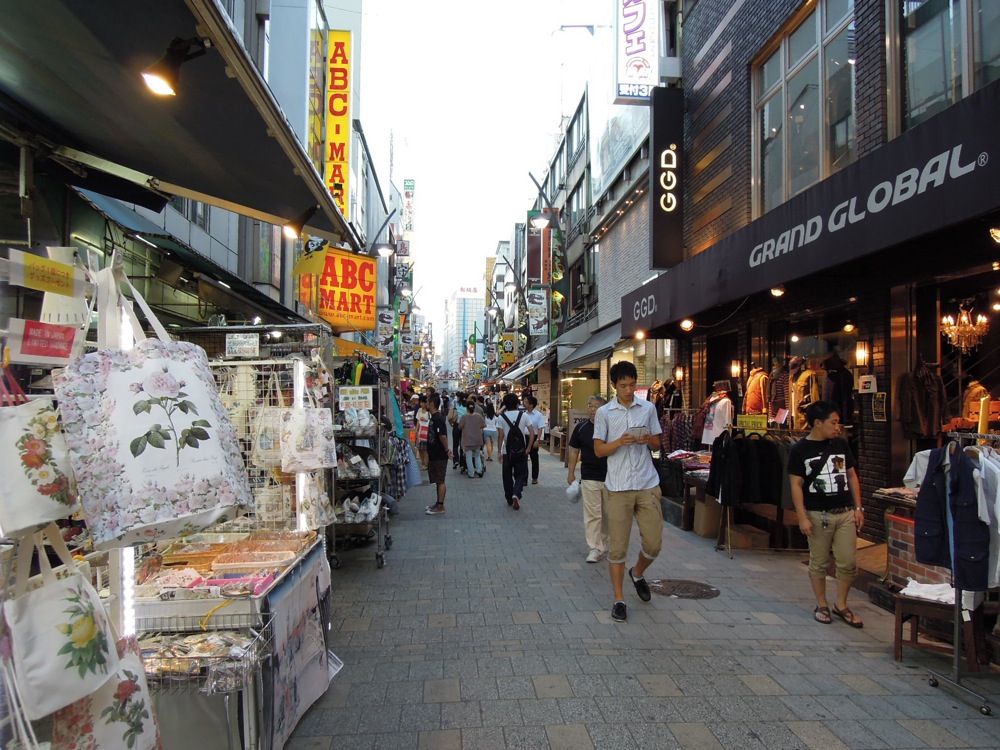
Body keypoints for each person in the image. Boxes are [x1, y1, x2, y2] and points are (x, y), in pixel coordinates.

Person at [593, 361, 663, 623]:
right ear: (614, 385)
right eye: (623, 385)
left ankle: (638, 572)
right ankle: (619, 599)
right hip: (618, 486)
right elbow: (599, 450)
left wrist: (648, 440)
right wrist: (619, 442)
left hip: (647, 483)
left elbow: (657, 442)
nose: (628, 390)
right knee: (618, 548)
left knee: (654, 543)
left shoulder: (648, 408)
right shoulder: (605, 413)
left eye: (632, 385)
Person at [788, 400, 864, 627]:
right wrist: (801, 516)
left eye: (838, 422)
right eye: (834, 422)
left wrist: (858, 507)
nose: (837, 427)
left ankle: (841, 604)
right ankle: (821, 603)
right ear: (818, 423)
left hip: (844, 513)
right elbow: (795, 485)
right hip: (817, 514)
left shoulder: (840, 445)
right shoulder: (800, 449)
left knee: (848, 562)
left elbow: (851, 476)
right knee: (819, 562)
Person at [568, 395, 610, 563]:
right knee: (593, 514)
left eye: (597, 406)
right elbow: (574, 451)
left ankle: (604, 543)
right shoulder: (581, 428)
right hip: (589, 476)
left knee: (608, 514)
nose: (592, 409)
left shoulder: (611, 428)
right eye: (590, 405)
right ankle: (594, 548)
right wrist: (571, 472)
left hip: (611, 477)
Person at [497, 392, 534, 510]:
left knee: (506, 475)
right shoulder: (524, 416)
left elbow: (501, 436)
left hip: (507, 452)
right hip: (521, 450)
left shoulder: (501, 418)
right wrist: (528, 448)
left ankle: (509, 497)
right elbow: (532, 433)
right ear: (518, 404)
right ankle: (516, 493)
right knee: (521, 474)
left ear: (505, 404)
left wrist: (499, 452)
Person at [424, 394, 452, 515]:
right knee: (437, 480)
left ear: (431, 404)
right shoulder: (434, 417)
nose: (425, 403)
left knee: (440, 480)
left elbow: (442, 436)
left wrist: (447, 450)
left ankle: (440, 506)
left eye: (427, 401)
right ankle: (438, 503)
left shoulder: (438, 418)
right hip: (435, 454)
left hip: (439, 454)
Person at [458, 400, 486, 478]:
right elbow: (484, 425)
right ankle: (479, 470)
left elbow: (460, 426)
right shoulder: (478, 416)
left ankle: (471, 473)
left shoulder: (464, 417)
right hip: (477, 439)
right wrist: (477, 427)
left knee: (469, 457)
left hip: (467, 440)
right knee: (477, 455)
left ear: (467, 408)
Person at [524, 395, 546, 484]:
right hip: (524, 437)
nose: (524, 404)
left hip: (534, 437)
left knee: (534, 459)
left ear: (531, 404)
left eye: (526, 402)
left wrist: (538, 440)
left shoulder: (538, 415)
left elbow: (540, 428)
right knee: (523, 459)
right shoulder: (524, 414)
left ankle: (534, 477)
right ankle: (524, 479)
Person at [415, 395, 430, 471]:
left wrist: (425, 419)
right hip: (420, 432)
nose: (421, 404)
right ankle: (423, 463)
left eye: (423, 402)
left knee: (425, 450)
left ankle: (426, 464)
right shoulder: (419, 410)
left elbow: (430, 420)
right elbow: (418, 421)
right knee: (420, 449)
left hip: (427, 432)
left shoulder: (429, 411)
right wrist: (416, 430)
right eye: (420, 402)